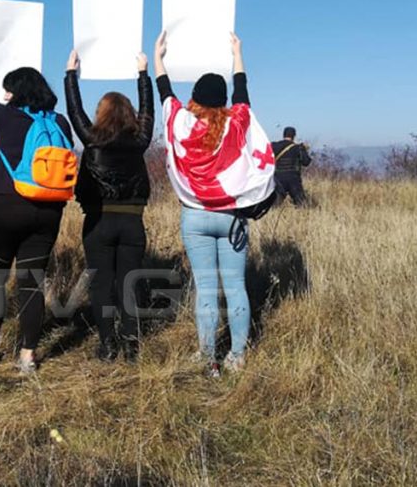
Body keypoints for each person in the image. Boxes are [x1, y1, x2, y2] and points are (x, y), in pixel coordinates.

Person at [154, 30, 275, 377]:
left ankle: (207, 356)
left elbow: (164, 90)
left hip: (195, 216)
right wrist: (237, 53)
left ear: (194, 98)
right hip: (232, 217)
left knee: (206, 287)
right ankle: (236, 357)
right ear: (222, 100)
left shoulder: (179, 120)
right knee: (236, 287)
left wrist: (158, 57)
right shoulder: (236, 122)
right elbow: (242, 92)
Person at [0, 42, 74, 374]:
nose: (5, 95)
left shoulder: (7, 117)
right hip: (48, 212)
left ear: (16, 93)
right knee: (31, 282)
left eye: (8, 90)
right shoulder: (61, 124)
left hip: (5, 209)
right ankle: (27, 355)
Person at [64, 49, 154, 363]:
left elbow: (74, 110)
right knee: (129, 282)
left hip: (98, 222)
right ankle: (131, 345)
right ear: (129, 115)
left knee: (101, 284)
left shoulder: (91, 139)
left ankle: (107, 344)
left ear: (100, 114)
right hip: (132, 222)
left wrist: (70, 74)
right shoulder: (140, 140)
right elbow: (148, 112)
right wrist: (144, 74)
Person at [272, 126, 312, 205]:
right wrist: (305, 150)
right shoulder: (298, 148)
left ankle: (274, 216)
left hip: (278, 178)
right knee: (302, 204)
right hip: (294, 179)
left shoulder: (273, 146)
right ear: (294, 136)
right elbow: (306, 162)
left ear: (283, 135)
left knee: (275, 205)